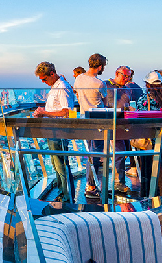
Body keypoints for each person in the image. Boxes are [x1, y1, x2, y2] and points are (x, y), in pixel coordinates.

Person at [33, 61, 75, 201]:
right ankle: (63, 193)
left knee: (61, 164)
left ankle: (67, 196)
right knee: (57, 163)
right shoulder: (55, 86)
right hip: (53, 131)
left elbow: (66, 112)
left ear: (52, 74)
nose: (44, 82)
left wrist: (45, 113)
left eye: (44, 79)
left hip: (60, 131)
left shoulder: (62, 87)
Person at [74, 53, 107, 198]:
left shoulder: (79, 78)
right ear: (100, 66)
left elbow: (76, 93)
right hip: (98, 120)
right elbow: (106, 101)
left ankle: (91, 184)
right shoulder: (99, 83)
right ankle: (91, 186)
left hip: (84, 118)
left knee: (90, 152)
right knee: (96, 153)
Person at [105, 66, 133, 193]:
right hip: (110, 124)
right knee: (119, 152)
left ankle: (118, 181)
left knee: (124, 152)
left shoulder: (127, 89)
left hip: (124, 124)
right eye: (125, 76)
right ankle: (118, 182)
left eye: (129, 76)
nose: (126, 79)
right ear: (117, 73)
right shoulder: (106, 85)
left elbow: (126, 105)